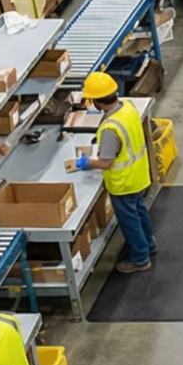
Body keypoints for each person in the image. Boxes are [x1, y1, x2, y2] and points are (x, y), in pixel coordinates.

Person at [74, 72, 154, 274]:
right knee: (140, 213)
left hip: (123, 183)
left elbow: (106, 162)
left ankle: (140, 258)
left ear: (97, 102)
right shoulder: (127, 107)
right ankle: (149, 245)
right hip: (139, 175)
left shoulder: (110, 128)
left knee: (129, 222)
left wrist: (86, 163)